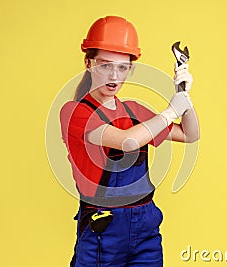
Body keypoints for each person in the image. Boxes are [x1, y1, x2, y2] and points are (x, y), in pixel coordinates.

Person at [60, 15, 199, 267]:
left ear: (131, 68)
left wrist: (183, 96)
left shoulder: (134, 111)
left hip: (146, 230)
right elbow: (127, 142)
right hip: (104, 230)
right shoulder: (75, 113)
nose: (114, 74)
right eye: (105, 65)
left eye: (122, 67)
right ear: (88, 62)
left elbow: (190, 134)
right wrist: (169, 112)